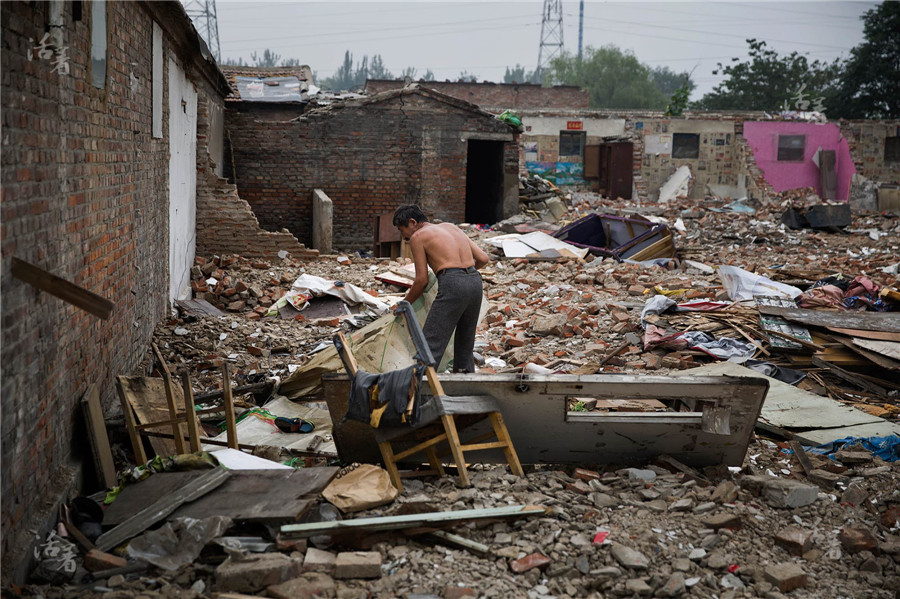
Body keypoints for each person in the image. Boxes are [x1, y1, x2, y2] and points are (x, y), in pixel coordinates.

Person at [392, 204, 489, 373]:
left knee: (431, 344)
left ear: (413, 222)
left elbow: (421, 280)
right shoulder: (451, 227)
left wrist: (404, 304)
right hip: (474, 281)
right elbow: (483, 258)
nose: (403, 236)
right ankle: (464, 388)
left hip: (452, 283)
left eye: (402, 230)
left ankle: (422, 392)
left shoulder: (418, 236)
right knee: (465, 345)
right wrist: (464, 275)